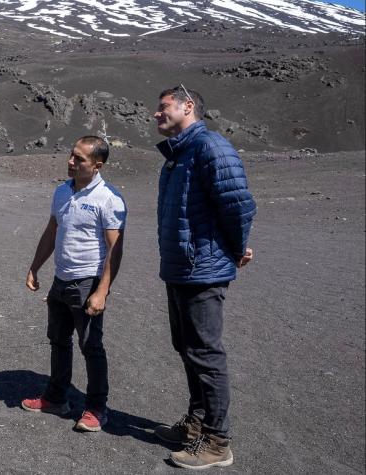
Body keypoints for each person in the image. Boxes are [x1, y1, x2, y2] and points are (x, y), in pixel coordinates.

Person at [151, 86, 256, 469]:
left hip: (202, 269)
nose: (156, 115)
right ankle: (196, 424)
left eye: (163, 108)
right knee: (188, 347)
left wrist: (235, 247)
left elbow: (238, 203)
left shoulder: (211, 147)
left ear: (188, 106)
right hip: (181, 269)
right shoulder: (179, 154)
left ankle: (217, 440)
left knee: (206, 355)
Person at [20, 135, 126, 432]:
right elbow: (52, 230)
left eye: (79, 159)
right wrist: (34, 267)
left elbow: (115, 250)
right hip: (61, 279)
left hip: (87, 281)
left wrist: (102, 291)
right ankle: (56, 398)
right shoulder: (61, 192)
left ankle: (96, 408)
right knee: (58, 340)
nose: (71, 162)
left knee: (91, 346)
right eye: (71, 155)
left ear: (97, 165)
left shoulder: (109, 198)